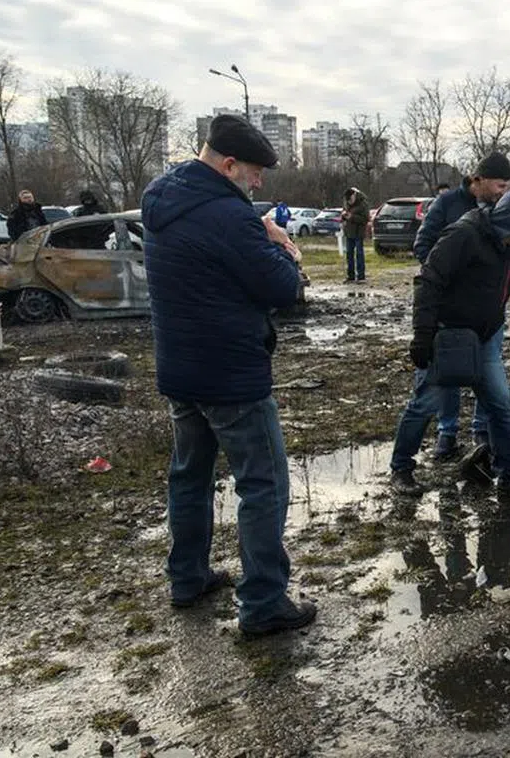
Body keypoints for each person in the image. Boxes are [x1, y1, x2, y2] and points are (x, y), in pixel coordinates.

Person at [141, 113, 316, 638]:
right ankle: (263, 603)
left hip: (180, 367)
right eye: (256, 172)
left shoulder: (161, 198)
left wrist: (254, 230)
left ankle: (187, 577)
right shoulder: (228, 216)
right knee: (263, 483)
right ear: (229, 163)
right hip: (232, 374)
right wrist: (284, 246)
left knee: (189, 476)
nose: (259, 182)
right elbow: (284, 289)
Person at [389, 184, 510, 500]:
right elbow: (428, 281)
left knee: (500, 406)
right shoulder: (464, 235)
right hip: (447, 335)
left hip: (485, 338)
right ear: (506, 222)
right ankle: (401, 470)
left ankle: (509, 475)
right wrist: (423, 335)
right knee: (425, 403)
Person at [412, 153, 510, 461]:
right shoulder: (447, 205)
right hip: (452, 312)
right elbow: (423, 247)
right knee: (447, 373)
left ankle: (481, 430)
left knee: (487, 368)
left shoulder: (501, 209)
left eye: (507, 186)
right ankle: (447, 432)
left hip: (488, 314)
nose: (502, 192)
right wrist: (457, 273)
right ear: (477, 180)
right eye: (499, 185)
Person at [341, 187, 369, 283]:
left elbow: (365, 219)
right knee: (349, 254)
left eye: (350, 200)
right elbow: (344, 213)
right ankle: (351, 276)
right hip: (349, 232)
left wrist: (352, 217)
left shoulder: (363, 203)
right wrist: (343, 216)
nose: (349, 202)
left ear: (354, 195)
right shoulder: (346, 202)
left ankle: (361, 276)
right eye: (347, 201)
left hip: (358, 232)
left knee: (359, 254)